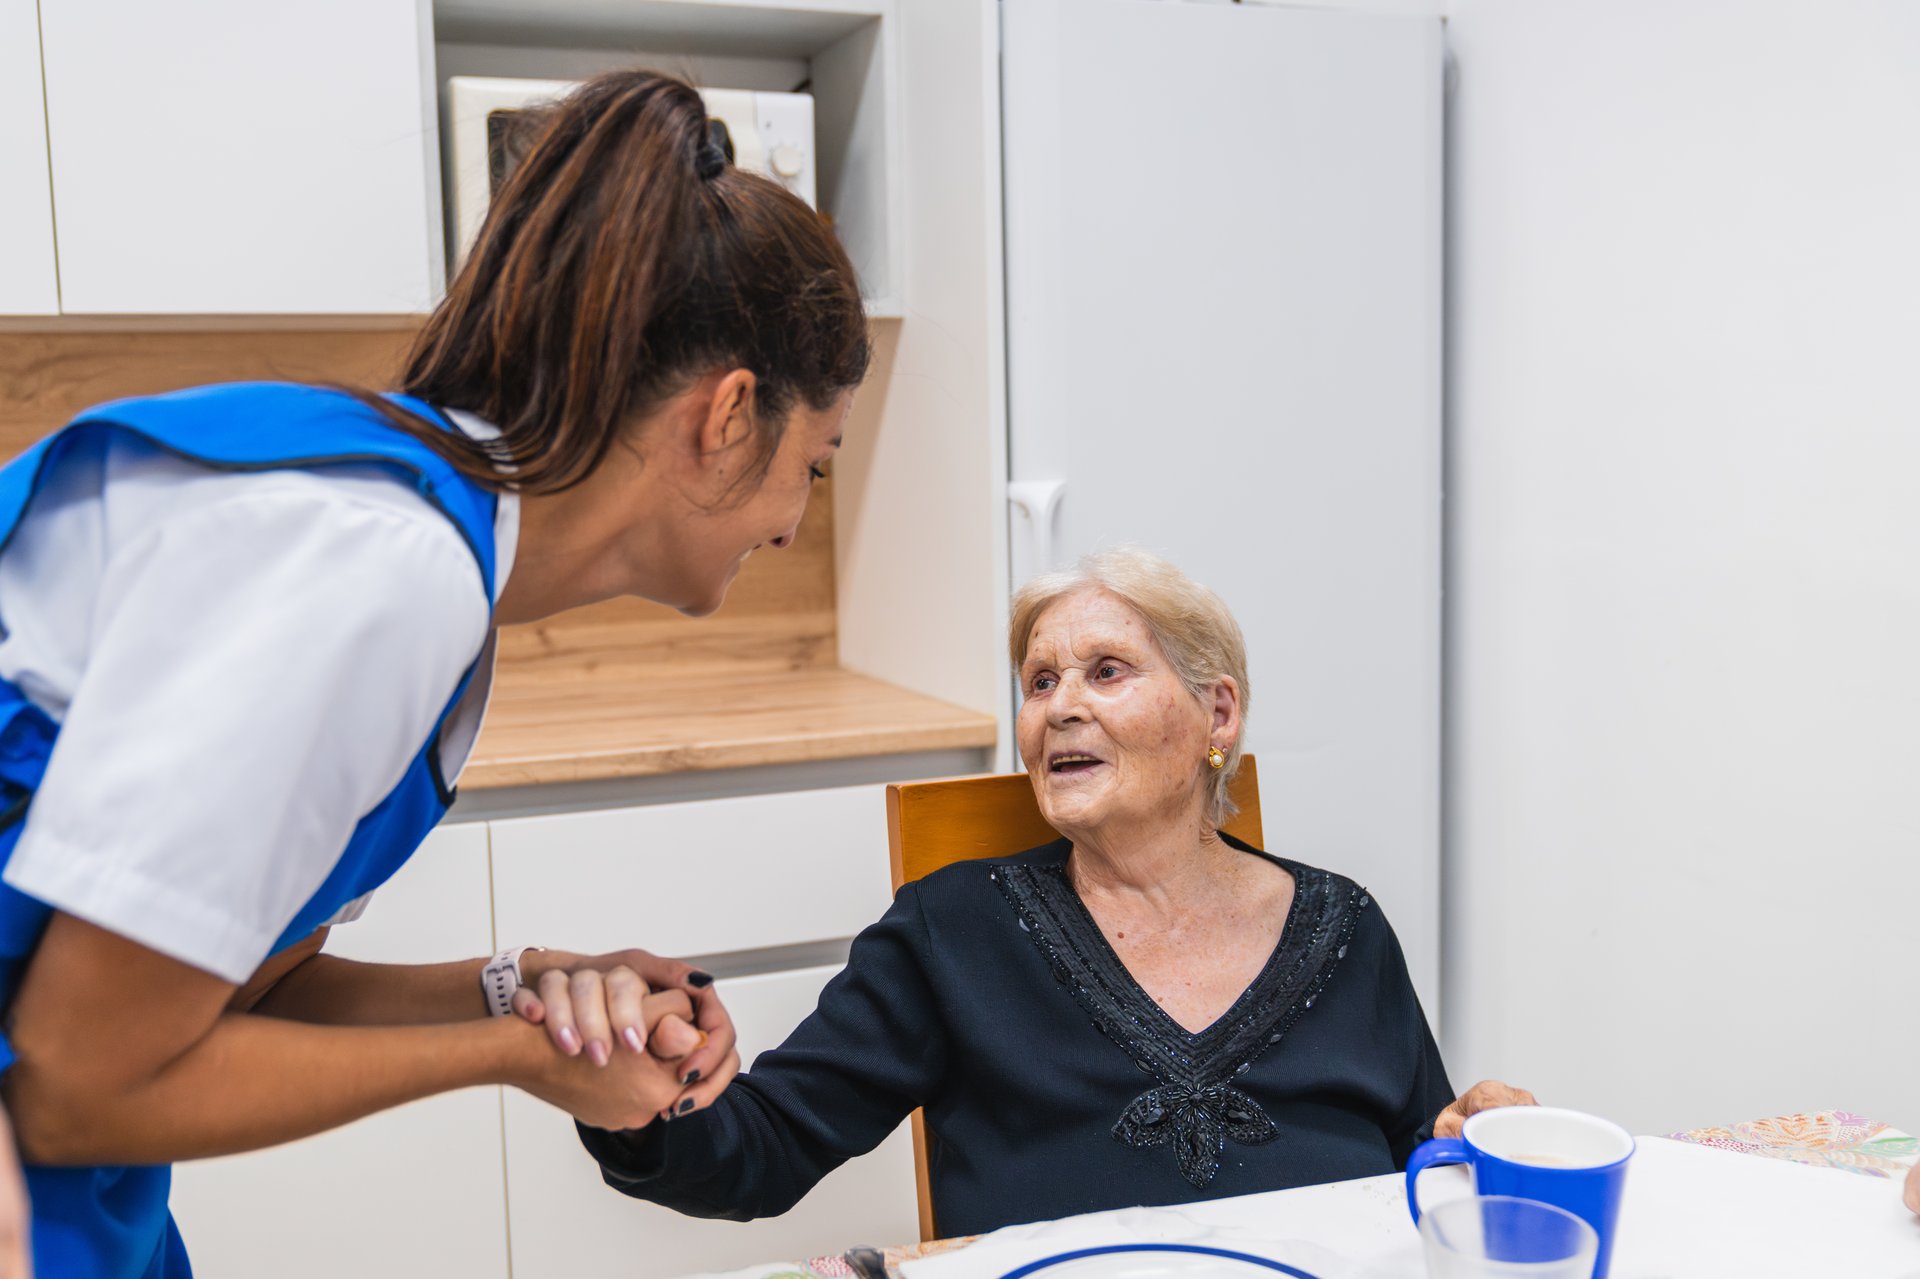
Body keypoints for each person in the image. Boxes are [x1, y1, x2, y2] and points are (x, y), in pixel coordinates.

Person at [0, 66, 869, 1277]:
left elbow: (229, 989)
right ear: (727, 417)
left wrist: (526, 990)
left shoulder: (438, 567)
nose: (789, 524)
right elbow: (78, 1085)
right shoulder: (375, 567)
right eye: (812, 466)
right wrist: (519, 1057)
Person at [570, 548, 1533, 1236]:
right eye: (1038, 682)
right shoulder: (951, 933)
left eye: (1105, 671)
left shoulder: (1345, 926)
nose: (1059, 705)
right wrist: (644, 1100)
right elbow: (763, 1148)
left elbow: (1422, 1169)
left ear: (1218, 712)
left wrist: (1463, 1141)